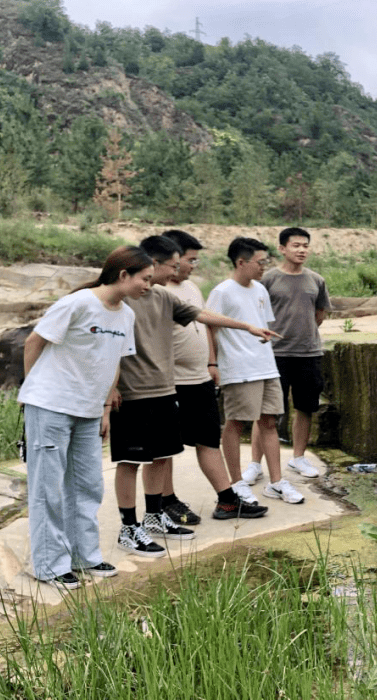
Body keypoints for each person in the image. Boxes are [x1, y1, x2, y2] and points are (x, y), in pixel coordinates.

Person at [112, 235, 277, 558]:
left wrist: (246, 327)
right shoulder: (121, 298)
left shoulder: (163, 296)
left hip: (167, 387)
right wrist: (109, 390)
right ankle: (130, 525)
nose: (184, 268)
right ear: (151, 264)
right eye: (178, 263)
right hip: (140, 390)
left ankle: (156, 513)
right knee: (133, 459)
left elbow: (203, 318)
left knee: (164, 451)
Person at [19, 245, 153, 590]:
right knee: (48, 488)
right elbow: (33, 342)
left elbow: (113, 361)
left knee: (87, 485)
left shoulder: (126, 315)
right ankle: (48, 565)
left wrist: (105, 408)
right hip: (50, 405)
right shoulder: (77, 303)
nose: (149, 286)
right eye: (145, 279)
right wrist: (34, 391)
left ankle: (84, 555)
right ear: (123, 275)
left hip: (89, 411)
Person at [162, 229, 267, 521]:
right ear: (171, 258)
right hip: (171, 383)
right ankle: (166, 499)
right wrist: (245, 326)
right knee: (166, 447)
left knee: (209, 439)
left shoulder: (191, 288)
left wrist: (211, 362)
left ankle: (227, 500)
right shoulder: (158, 292)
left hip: (199, 379)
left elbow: (204, 322)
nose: (193, 266)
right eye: (190, 260)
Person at [208, 237, 304, 506]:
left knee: (270, 423)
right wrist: (212, 363)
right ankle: (236, 482)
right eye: (259, 262)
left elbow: (262, 324)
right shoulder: (222, 292)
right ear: (241, 262)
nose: (263, 267)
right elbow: (209, 326)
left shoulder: (260, 290)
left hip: (265, 365)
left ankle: (276, 482)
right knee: (236, 424)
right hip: (239, 369)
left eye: (265, 262)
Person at [248, 227, 331, 482]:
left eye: (305, 245)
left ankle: (298, 457)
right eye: (296, 245)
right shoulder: (268, 279)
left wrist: (303, 334)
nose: (302, 250)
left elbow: (320, 313)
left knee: (305, 407)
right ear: (282, 248)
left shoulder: (315, 280)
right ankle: (254, 464)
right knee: (266, 412)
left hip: (308, 353)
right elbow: (255, 313)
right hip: (274, 354)